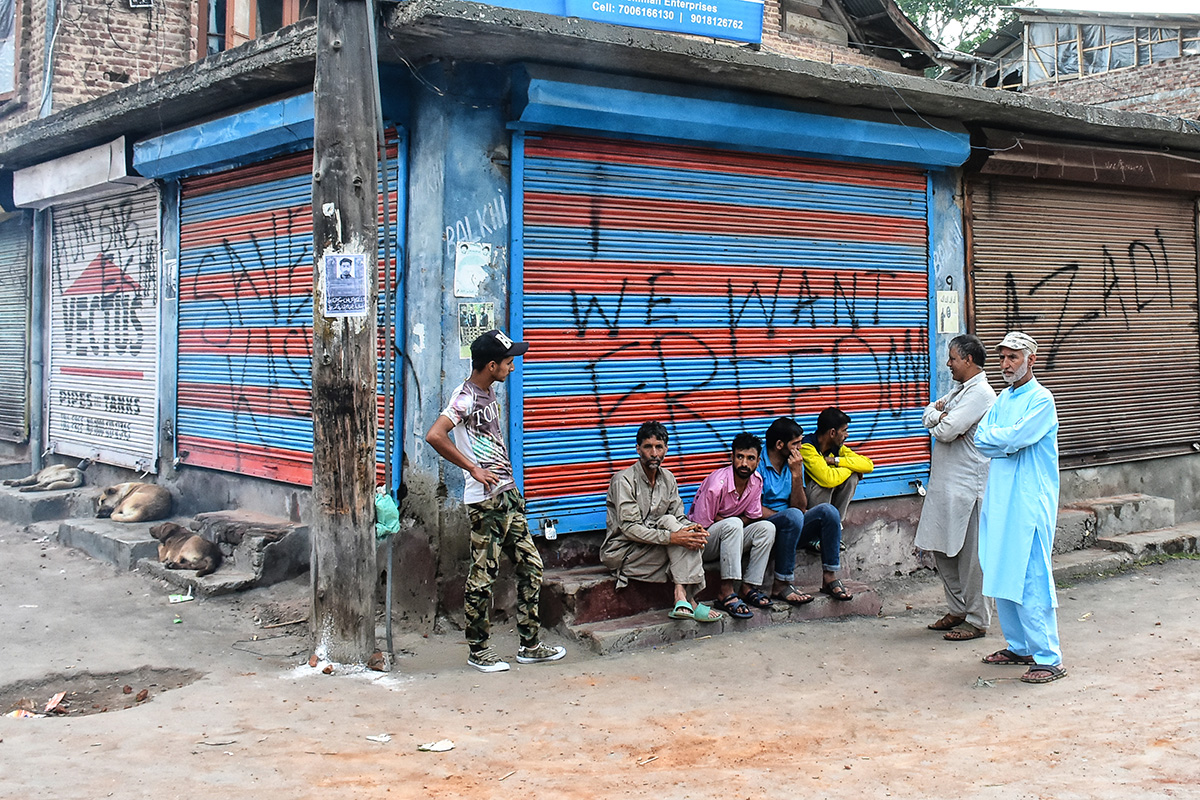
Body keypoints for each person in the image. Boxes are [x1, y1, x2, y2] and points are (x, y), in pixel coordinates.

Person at [424, 329, 567, 673]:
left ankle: (530, 645)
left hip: (507, 494)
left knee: (531, 566)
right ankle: (478, 650)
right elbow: (435, 434)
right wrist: (473, 468)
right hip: (485, 502)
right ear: (491, 365)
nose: (512, 368)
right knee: (483, 577)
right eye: (508, 362)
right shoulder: (465, 398)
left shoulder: (487, 394)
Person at [974, 331, 1066, 684]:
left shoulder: (1042, 400)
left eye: (1013, 357)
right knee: (1000, 570)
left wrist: (1006, 440)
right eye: (1002, 358)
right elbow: (983, 438)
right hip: (1001, 500)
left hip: (1029, 501)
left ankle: (1048, 657)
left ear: (1031, 360)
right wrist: (1007, 439)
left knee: (1030, 577)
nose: (1006, 364)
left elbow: (1014, 438)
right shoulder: (1002, 400)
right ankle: (1020, 646)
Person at [915, 335, 997, 642]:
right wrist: (938, 415)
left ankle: (977, 620)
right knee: (942, 549)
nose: (948, 364)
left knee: (971, 559)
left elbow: (946, 431)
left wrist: (939, 418)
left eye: (953, 358)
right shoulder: (960, 390)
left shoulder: (981, 395)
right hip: (946, 487)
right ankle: (958, 608)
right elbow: (929, 415)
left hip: (969, 488)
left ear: (969, 361)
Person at [601, 421, 726, 623]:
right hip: (626, 553)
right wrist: (674, 537)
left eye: (659, 447)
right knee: (679, 537)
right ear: (638, 449)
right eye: (648, 447)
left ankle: (681, 597)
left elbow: (678, 517)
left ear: (666, 449)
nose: (654, 453)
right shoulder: (623, 480)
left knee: (688, 534)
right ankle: (689, 599)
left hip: (656, 549)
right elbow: (630, 529)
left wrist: (692, 529)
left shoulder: (668, 478)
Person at [758, 417, 852, 603]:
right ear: (779, 444)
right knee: (792, 516)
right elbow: (752, 508)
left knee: (829, 511)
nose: (801, 447)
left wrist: (796, 475)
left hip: (792, 524)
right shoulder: (758, 464)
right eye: (796, 443)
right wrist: (786, 519)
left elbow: (800, 507)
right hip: (766, 528)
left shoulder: (793, 462)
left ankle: (829, 577)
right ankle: (781, 584)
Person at [688, 433, 777, 619]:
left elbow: (752, 517)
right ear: (732, 457)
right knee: (734, 524)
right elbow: (701, 526)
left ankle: (748, 587)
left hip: (731, 537)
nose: (744, 463)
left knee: (767, 528)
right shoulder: (716, 484)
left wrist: (728, 522)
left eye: (750, 458)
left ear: (758, 460)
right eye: (740, 457)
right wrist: (731, 523)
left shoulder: (756, 482)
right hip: (703, 543)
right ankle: (725, 592)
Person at [801, 407, 874, 520]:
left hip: (827, 499)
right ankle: (818, 527)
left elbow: (868, 465)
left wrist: (836, 461)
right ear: (832, 433)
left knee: (852, 478)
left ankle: (836, 523)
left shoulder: (837, 448)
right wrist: (853, 468)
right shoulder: (807, 447)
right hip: (806, 505)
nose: (847, 435)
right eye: (844, 430)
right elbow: (828, 479)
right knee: (824, 484)